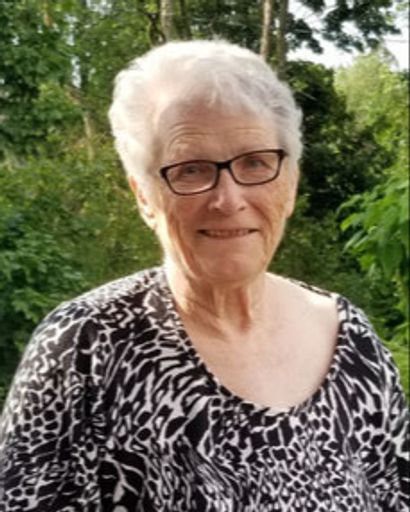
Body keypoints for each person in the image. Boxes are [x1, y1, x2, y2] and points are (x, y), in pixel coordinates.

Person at [0, 40, 408, 512]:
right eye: (191, 169)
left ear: (291, 183)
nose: (228, 199)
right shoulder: (85, 347)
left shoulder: (351, 338)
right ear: (145, 196)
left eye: (255, 162)